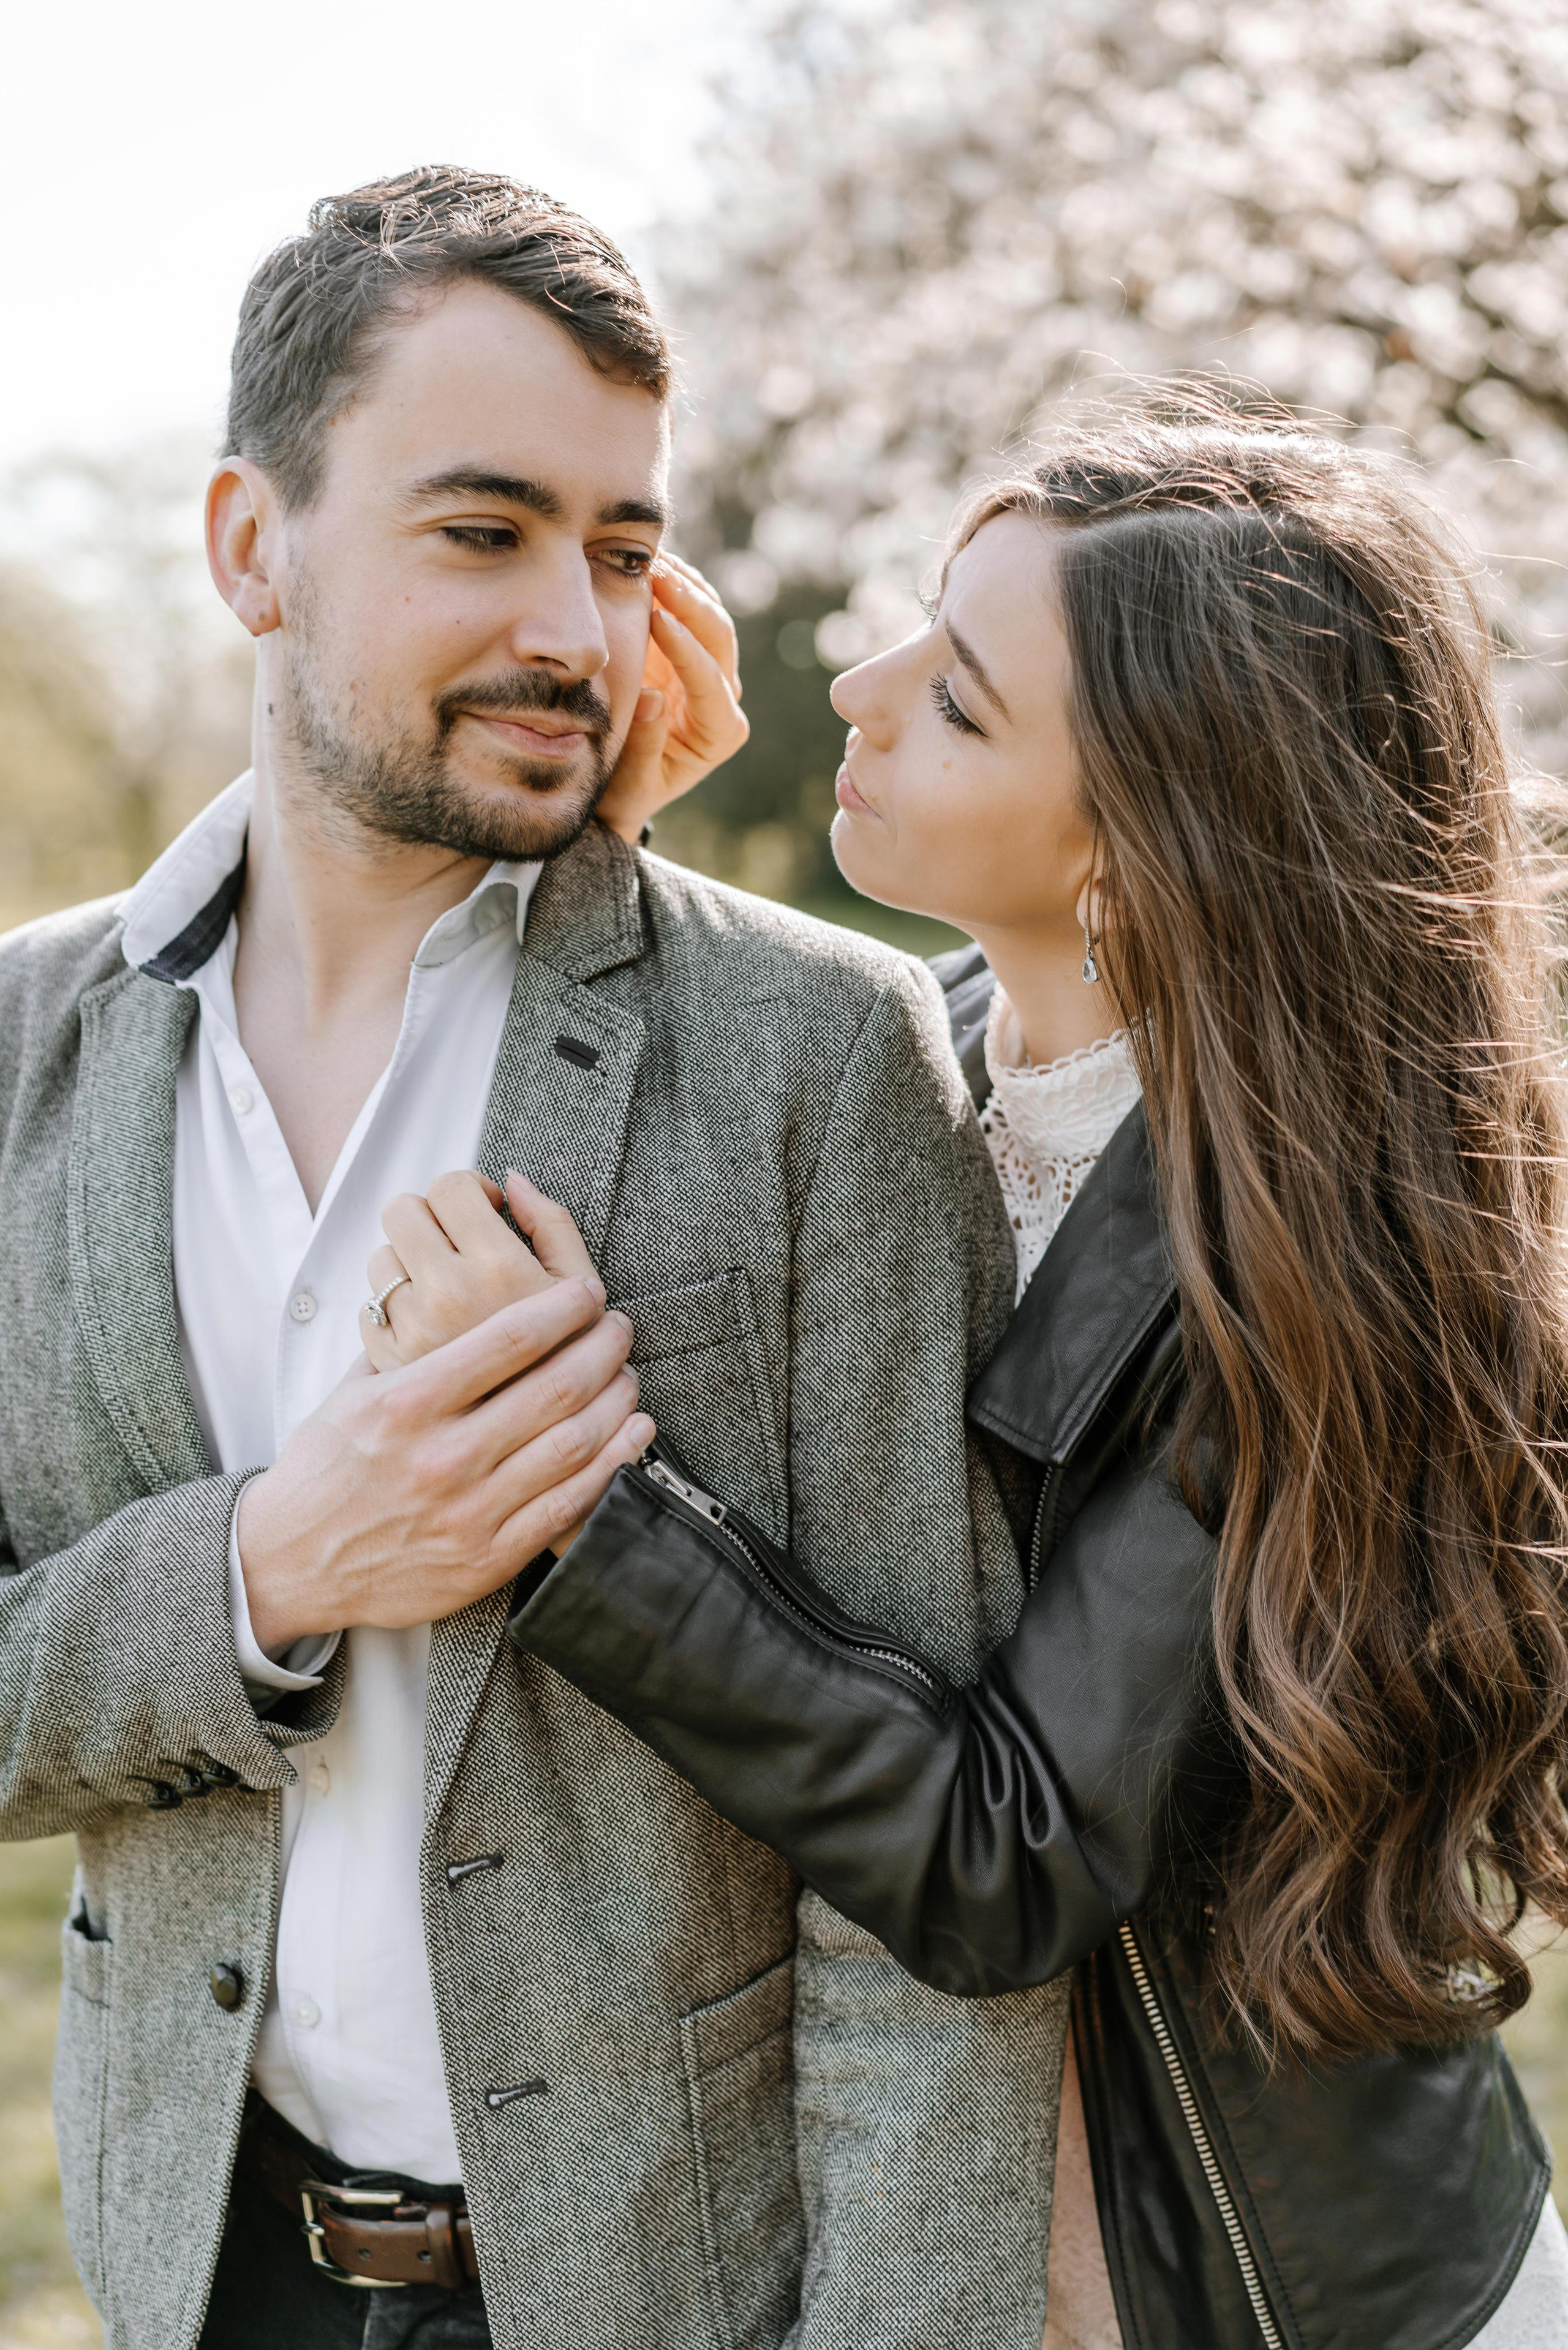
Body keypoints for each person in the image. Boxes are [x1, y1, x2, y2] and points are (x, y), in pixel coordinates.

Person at [0, 167, 1068, 2350]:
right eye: (483, 535)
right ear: (249, 548)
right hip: (203, 2271)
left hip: (679, 2298)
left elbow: (928, 1888)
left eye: (623, 548)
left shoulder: (813, 1048)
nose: (576, 631)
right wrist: (266, 1570)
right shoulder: (20, 1051)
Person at [369, 411, 1568, 2350]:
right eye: (923, 624)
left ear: (1137, 847)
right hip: (925, 2216)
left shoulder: (1285, 1269)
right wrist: (612, 875)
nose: (852, 682)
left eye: (962, 696)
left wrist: (567, 1511)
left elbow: (1004, 1855)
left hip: (1251, 2288)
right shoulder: (899, 1053)